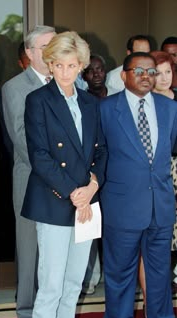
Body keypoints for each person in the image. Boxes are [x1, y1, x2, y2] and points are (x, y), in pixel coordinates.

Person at [21, 31, 107, 318]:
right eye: (59, 65)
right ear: (49, 64)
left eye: (73, 66)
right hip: (55, 202)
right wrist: (73, 192)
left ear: (81, 66)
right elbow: (39, 155)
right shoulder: (37, 100)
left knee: (74, 282)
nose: (66, 72)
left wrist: (91, 186)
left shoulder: (91, 103)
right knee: (51, 287)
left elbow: (101, 151)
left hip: (86, 203)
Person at [99, 51, 177, 318]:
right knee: (120, 272)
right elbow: (100, 153)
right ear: (124, 75)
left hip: (160, 205)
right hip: (122, 205)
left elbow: (166, 152)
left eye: (151, 72)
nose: (146, 76)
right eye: (139, 70)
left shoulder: (169, 108)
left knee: (159, 272)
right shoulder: (105, 109)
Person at [1, 25, 56, 318]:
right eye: (47, 46)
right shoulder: (15, 87)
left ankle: (53, 309)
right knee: (30, 249)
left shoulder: (69, 82)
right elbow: (23, 141)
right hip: (32, 179)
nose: (53, 51)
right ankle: (26, 314)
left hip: (65, 183)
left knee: (56, 252)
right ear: (31, 52)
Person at [138, 51, 177, 318]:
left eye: (168, 72)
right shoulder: (143, 104)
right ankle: (153, 302)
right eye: (157, 72)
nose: (163, 78)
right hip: (157, 178)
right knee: (152, 243)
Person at [81, 54, 108, 294]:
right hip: (92, 174)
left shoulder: (117, 97)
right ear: (84, 75)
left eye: (100, 69)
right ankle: (89, 278)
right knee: (89, 230)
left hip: (115, 172)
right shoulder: (82, 101)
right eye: (91, 71)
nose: (97, 74)